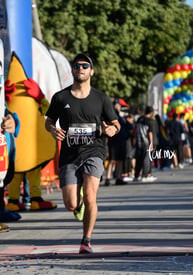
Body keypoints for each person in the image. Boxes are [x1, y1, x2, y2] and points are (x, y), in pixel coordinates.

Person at [45, 53, 120, 254]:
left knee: (90, 196)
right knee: (71, 204)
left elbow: (115, 123)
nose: (80, 68)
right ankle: (77, 204)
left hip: (94, 151)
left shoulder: (101, 98)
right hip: (69, 154)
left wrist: (113, 129)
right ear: (72, 70)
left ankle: (86, 240)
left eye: (85, 66)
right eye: (77, 65)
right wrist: (53, 130)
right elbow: (49, 121)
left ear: (91, 71)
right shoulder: (61, 97)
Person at [105, 99, 129, 186]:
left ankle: (118, 177)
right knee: (112, 160)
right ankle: (108, 178)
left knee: (120, 160)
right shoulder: (111, 115)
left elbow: (127, 126)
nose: (118, 107)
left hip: (121, 141)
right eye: (117, 105)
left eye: (118, 105)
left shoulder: (121, 116)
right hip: (113, 141)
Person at [134, 106, 158, 182]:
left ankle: (136, 175)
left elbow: (136, 130)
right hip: (145, 142)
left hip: (138, 141)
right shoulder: (149, 121)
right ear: (151, 113)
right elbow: (150, 133)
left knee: (138, 159)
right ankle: (145, 175)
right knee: (146, 159)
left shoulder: (139, 119)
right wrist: (151, 143)